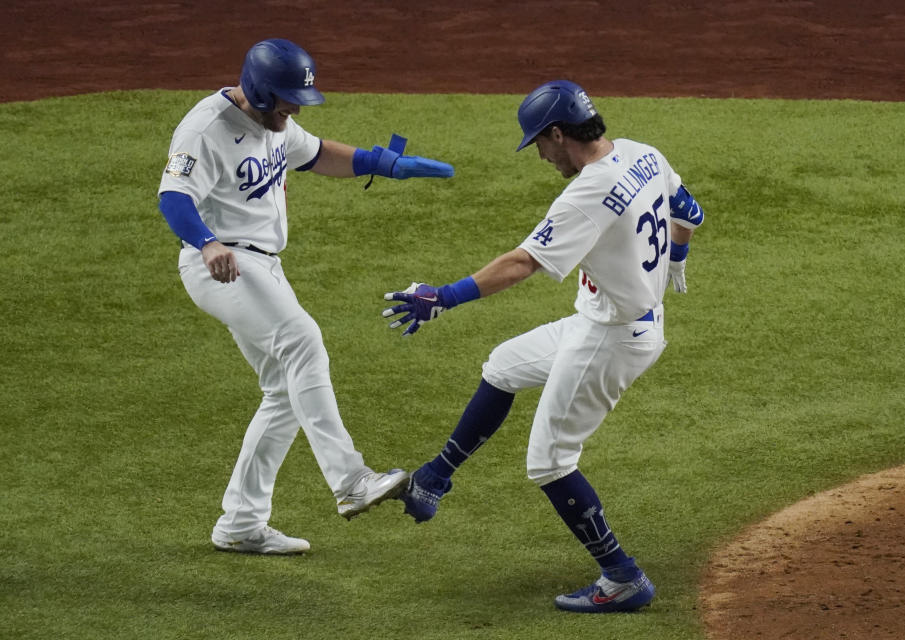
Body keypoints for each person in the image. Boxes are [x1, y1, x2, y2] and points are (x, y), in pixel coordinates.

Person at [381, 80, 704, 612]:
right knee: (504, 365)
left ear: (559, 133)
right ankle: (433, 480)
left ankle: (622, 576)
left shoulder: (587, 192)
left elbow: (523, 263)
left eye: (538, 142)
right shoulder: (643, 153)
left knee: (549, 460)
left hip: (612, 338)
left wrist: (443, 297)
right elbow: (689, 212)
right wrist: (676, 260)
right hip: (607, 320)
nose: (539, 154)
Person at [157, 38, 454, 555]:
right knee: (303, 342)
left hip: (264, 266)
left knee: (284, 391)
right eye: (288, 99)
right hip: (219, 266)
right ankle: (351, 481)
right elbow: (173, 197)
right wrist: (207, 242)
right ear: (258, 91)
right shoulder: (205, 129)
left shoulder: (275, 121)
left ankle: (241, 523)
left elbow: (315, 155)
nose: (294, 108)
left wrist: (381, 164)